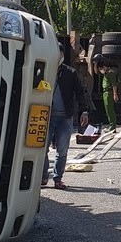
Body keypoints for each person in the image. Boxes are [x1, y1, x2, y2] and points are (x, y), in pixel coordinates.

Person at [43, 46, 89, 189]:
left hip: (65, 117)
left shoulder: (70, 73)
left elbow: (80, 92)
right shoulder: (43, 70)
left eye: (60, 53)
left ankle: (57, 179)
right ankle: (43, 177)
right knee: (42, 149)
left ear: (62, 55)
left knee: (62, 151)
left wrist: (85, 111)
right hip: (46, 116)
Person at [92, 54, 119, 131]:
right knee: (107, 110)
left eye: (101, 67)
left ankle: (112, 126)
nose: (101, 69)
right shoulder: (106, 73)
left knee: (110, 110)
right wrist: (95, 64)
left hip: (109, 92)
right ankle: (111, 125)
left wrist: (115, 94)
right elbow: (96, 72)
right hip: (105, 93)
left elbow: (114, 85)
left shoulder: (111, 73)